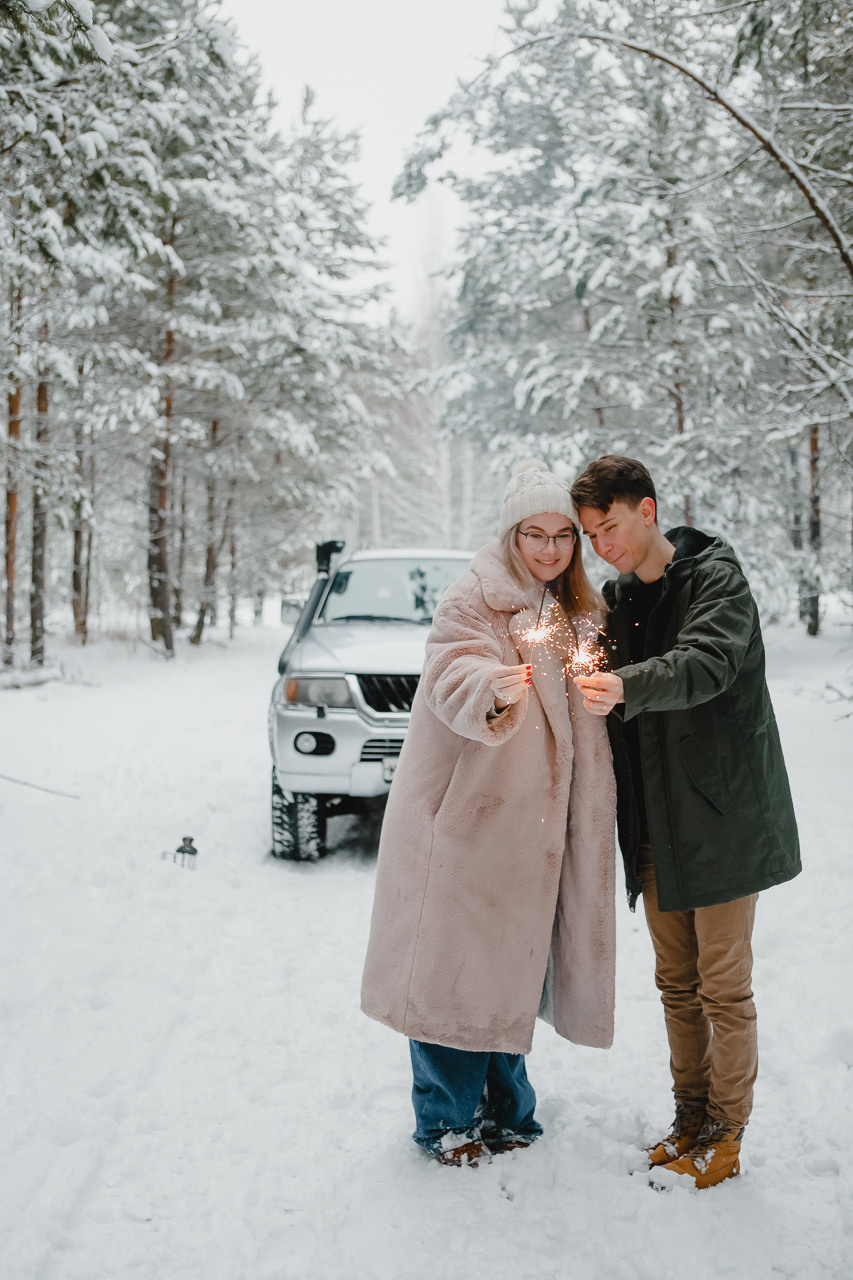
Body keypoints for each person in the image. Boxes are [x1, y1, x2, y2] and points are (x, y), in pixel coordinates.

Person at [361, 459, 617, 1167]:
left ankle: (508, 1110)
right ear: (509, 536)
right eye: (532, 534)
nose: (547, 549)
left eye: (561, 535)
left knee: (509, 970)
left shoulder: (576, 613)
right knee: (454, 977)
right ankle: (445, 1122)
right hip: (471, 822)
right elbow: (450, 668)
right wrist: (491, 691)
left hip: (538, 831)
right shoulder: (475, 597)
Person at [569, 455, 801, 1189]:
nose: (600, 544)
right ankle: (688, 1117)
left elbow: (704, 663)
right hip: (653, 825)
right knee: (675, 984)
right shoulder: (614, 603)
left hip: (721, 817)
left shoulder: (716, 582)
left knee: (722, 988)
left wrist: (622, 685)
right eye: (588, 534)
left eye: (607, 526)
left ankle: (728, 1130)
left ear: (647, 510)